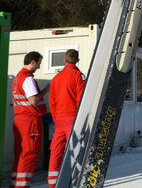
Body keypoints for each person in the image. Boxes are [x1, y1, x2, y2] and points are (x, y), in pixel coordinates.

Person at [47, 49, 86, 188]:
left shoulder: (56, 78)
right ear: (77, 61)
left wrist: (56, 117)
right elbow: (81, 100)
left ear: (64, 61)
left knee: (56, 151)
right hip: (73, 118)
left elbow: (52, 101)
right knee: (76, 150)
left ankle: (53, 183)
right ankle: (75, 181)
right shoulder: (79, 76)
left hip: (59, 120)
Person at [11, 51, 49, 188]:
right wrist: (45, 90)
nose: (39, 67)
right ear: (32, 62)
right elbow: (33, 99)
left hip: (19, 120)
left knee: (20, 154)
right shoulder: (27, 78)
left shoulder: (17, 78)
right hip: (30, 121)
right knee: (30, 154)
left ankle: (15, 184)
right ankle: (22, 186)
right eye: (38, 63)